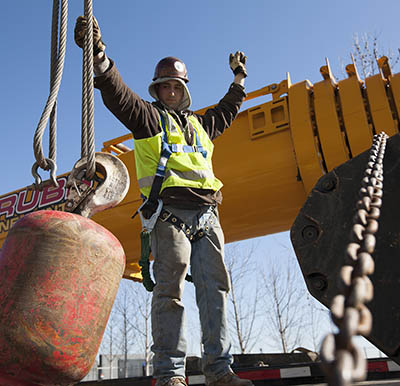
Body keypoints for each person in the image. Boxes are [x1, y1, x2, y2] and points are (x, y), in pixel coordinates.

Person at [75, 16, 253, 386]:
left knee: (216, 291)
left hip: (208, 216)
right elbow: (117, 93)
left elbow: (227, 110)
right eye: (165, 86)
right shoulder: (148, 119)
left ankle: (220, 372)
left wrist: (238, 78)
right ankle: (170, 373)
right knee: (170, 291)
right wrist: (98, 55)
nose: (171, 91)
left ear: (183, 89)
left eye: (176, 85)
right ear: (157, 90)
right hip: (169, 216)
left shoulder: (201, 126)